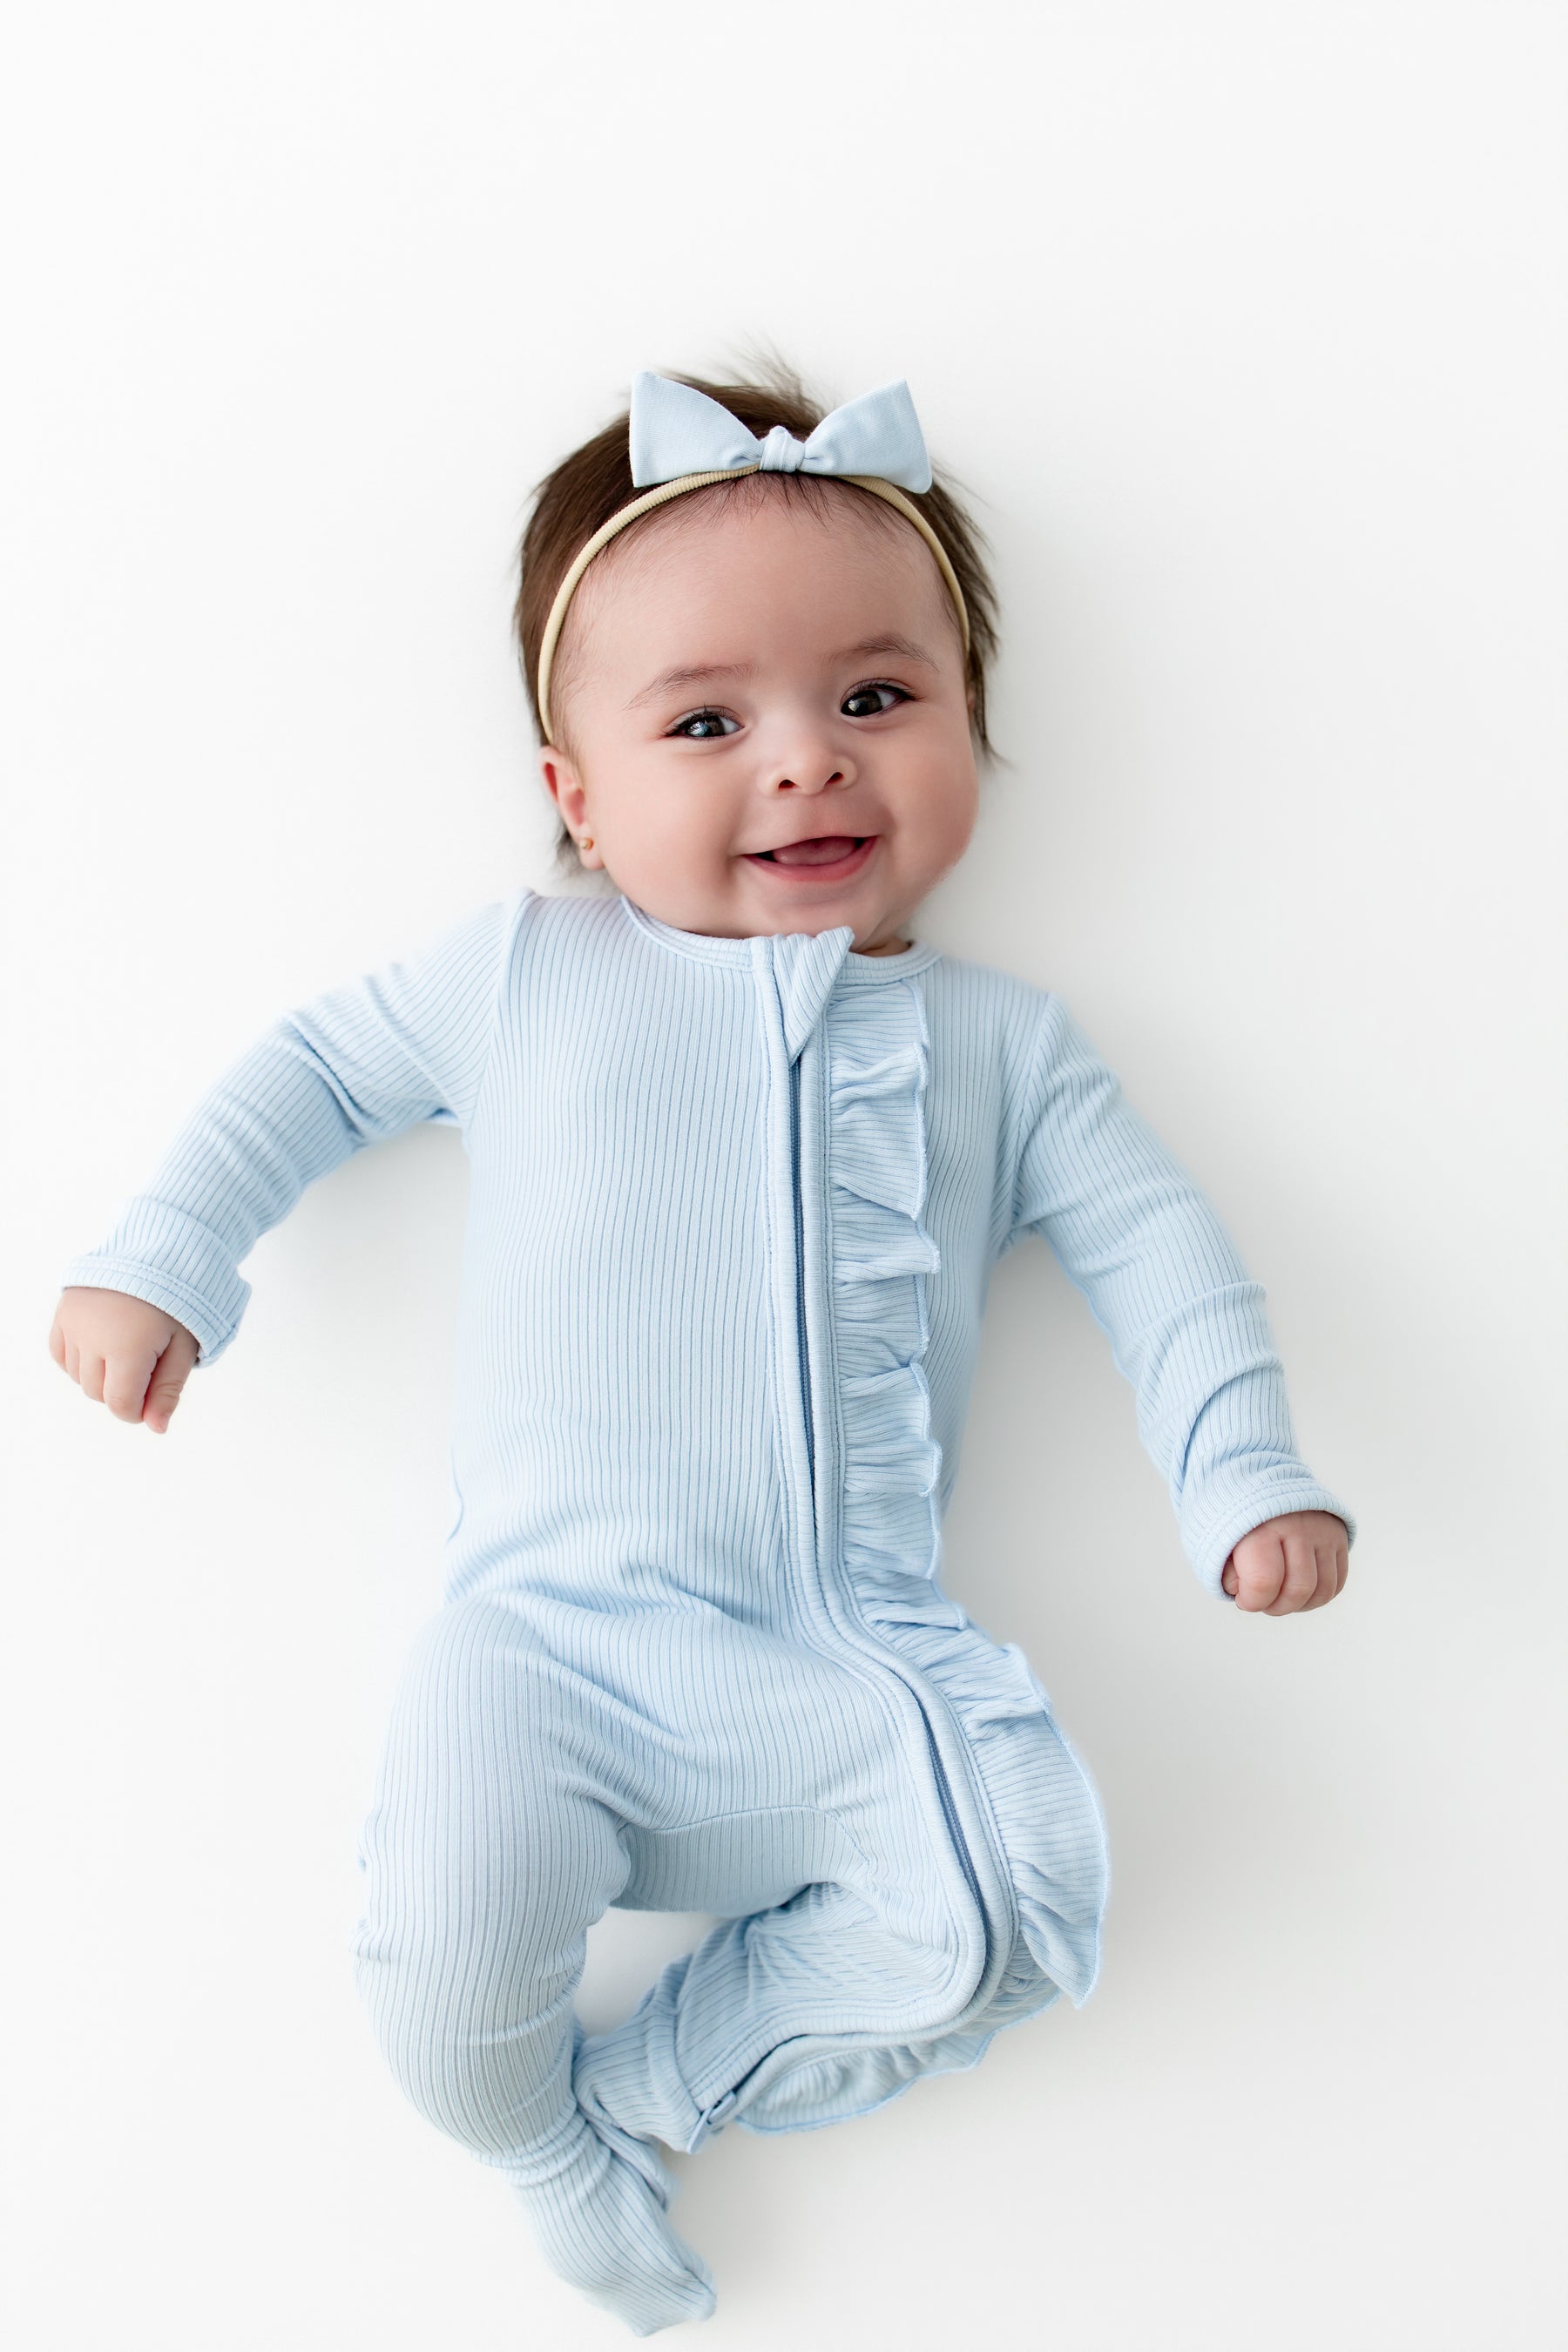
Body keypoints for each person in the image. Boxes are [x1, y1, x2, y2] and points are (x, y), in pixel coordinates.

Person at [48, 363, 1355, 2335]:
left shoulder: (1008, 1050)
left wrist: (1242, 1466)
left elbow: (1163, 1253)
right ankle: (537, 2145)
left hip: (838, 1656)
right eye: (708, 723)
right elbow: (311, 1072)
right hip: (547, 1647)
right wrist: (166, 1259)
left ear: (969, 723)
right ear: (576, 795)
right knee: (433, 1976)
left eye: (878, 698)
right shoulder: (523, 974)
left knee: (1009, 1905)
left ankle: (650, 2091)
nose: (810, 764)